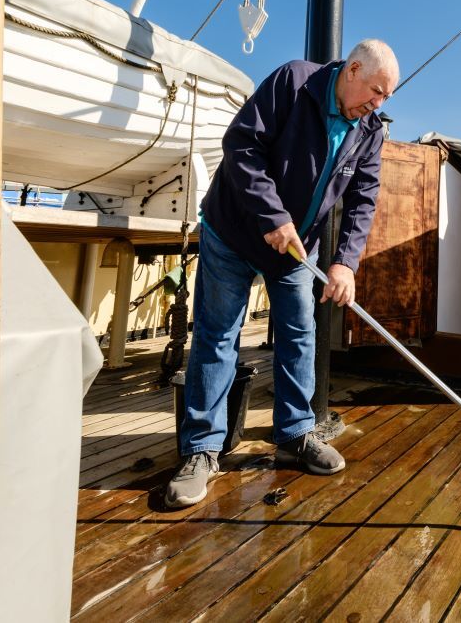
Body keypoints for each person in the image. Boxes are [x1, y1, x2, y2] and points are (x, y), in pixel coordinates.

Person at [165, 39, 399, 507]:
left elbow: (362, 200)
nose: (378, 104)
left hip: (295, 250)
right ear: (352, 69)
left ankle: (295, 433)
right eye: (375, 91)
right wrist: (272, 216)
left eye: (386, 98)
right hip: (233, 232)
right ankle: (202, 449)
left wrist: (344, 262)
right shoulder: (294, 81)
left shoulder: (370, 128)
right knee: (217, 336)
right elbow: (242, 145)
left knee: (300, 333)